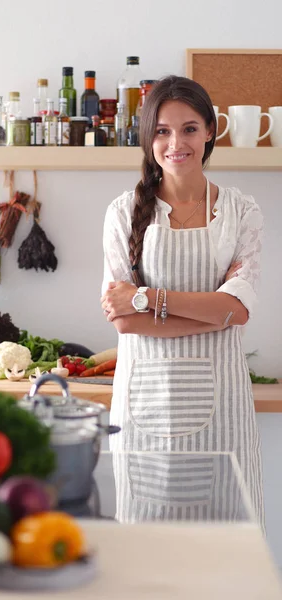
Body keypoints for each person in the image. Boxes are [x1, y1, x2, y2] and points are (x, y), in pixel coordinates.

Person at [100, 75, 264, 527]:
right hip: (145, 407)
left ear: (211, 130)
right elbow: (125, 322)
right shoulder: (121, 213)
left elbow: (240, 309)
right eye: (162, 131)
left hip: (224, 409)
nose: (177, 142)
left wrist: (148, 297)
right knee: (147, 551)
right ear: (148, 137)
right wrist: (216, 314)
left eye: (190, 128)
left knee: (228, 547)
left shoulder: (240, 211)